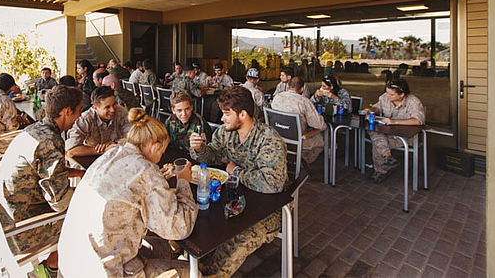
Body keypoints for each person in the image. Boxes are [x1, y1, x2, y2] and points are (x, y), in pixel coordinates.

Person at [59, 107, 198, 277]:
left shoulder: (112, 155)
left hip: (71, 259)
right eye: (162, 151)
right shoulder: (146, 171)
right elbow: (179, 227)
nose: (161, 157)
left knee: (162, 247)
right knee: (194, 273)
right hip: (105, 271)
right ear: (154, 145)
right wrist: (183, 180)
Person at [189, 86, 287, 277]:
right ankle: (198, 267)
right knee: (202, 220)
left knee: (238, 238)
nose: (222, 119)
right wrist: (200, 148)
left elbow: (272, 184)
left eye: (226, 114)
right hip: (235, 198)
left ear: (242, 114)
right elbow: (213, 156)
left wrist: (236, 171)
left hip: (268, 208)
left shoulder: (268, 139)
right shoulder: (226, 133)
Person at [0, 85, 85, 278]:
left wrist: (76, 172)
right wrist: (86, 194)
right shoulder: (50, 141)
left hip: (5, 216)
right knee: (84, 218)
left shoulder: (36, 129)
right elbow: (59, 203)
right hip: (19, 231)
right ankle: (48, 270)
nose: (79, 117)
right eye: (78, 111)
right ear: (67, 111)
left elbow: (44, 171)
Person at [364, 79, 425, 183]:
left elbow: (418, 121)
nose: (388, 96)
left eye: (391, 94)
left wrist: (393, 121)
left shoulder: (413, 102)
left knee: (378, 142)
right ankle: (387, 156)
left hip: (404, 137)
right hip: (386, 133)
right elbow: (377, 107)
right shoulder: (384, 97)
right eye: (387, 92)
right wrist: (371, 110)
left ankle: (380, 170)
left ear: (402, 95)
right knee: (373, 131)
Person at [272, 77, 326, 164]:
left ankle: (290, 161)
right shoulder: (304, 101)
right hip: (298, 140)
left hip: (278, 138)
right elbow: (319, 125)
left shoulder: (277, 98)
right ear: (302, 89)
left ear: (288, 86)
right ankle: (302, 163)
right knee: (321, 139)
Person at [66, 86, 131, 157]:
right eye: (107, 107)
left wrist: (115, 143)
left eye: (114, 104)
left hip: (118, 154)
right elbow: (72, 150)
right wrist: (101, 150)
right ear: (95, 108)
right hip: (92, 157)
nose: (112, 110)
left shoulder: (121, 111)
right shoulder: (85, 119)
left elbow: (132, 137)